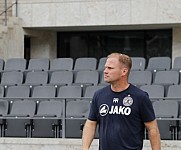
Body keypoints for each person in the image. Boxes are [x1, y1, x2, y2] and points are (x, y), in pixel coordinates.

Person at [82, 52, 161, 150]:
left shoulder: (140, 97)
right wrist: (85, 148)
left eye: (110, 68)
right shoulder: (99, 95)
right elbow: (91, 123)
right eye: (105, 67)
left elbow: (152, 129)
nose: (105, 71)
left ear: (124, 71)